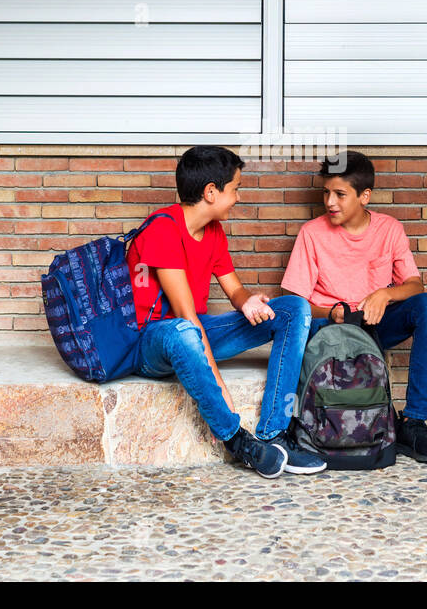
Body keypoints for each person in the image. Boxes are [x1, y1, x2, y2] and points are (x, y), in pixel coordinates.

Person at [126, 145, 326, 478]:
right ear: (210, 192)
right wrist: (221, 388)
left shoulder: (214, 231)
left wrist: (247, 300)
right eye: (235, 189)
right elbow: (185, 316)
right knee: (186, 333)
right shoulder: (162, 228)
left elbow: (234, 290)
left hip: (192, 330)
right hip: (154, 341)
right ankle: (238, 441)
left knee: (293, 309)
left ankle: (274, 433)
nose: (237, 197)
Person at [281, 150, 427, 463]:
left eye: (340, 194)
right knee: (313, 319)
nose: (330, 202)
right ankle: (307, 425)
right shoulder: (312, 233)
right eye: (326, 193)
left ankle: (413, 423)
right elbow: (292, 302)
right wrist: (331, 312)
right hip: (328, 328)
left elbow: (415, 286)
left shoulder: (389, 229)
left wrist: (385, 295)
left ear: (365, 196)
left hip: (375, 324)